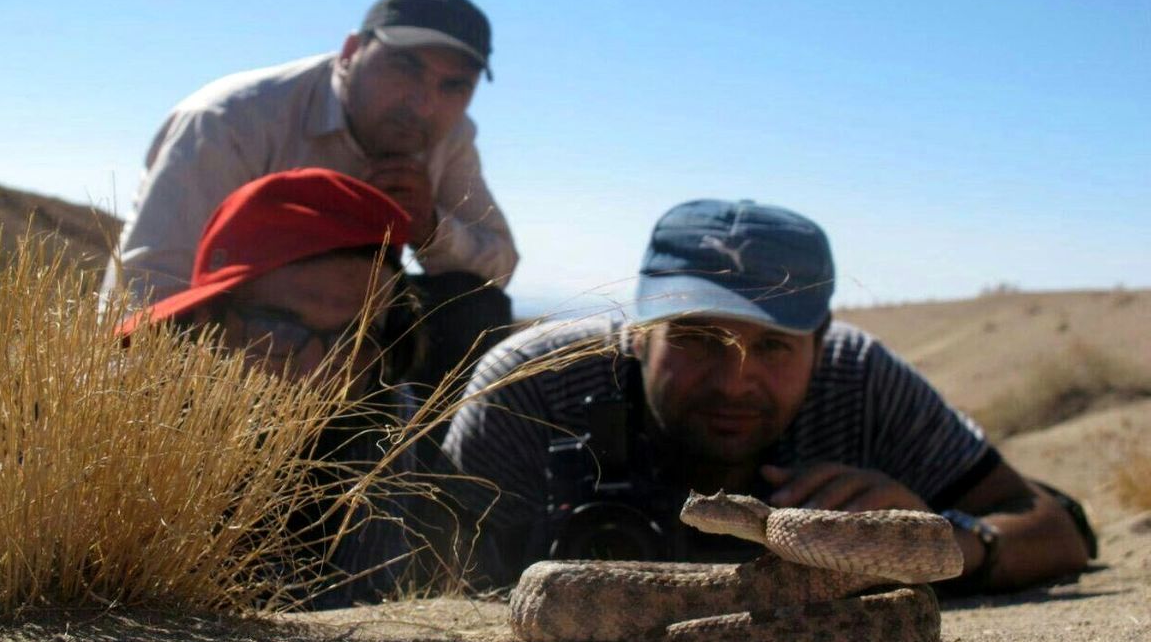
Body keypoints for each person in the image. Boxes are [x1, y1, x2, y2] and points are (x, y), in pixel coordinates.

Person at [441, 200, 1095, 593]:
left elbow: (1053, 529)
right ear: (640, 335)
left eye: (776, 345)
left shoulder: (860, 380)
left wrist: (931, 543)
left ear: (821, 339)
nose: (733, 381)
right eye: (698, 339)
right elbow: (426, 573)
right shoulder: (530, 386)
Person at [105, 0, 516, 390]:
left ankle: (412, 450)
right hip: (241, 345)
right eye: (406, 67)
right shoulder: (230, 120)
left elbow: (497, 265)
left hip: (346, 350)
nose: (424, 103)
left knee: (472, 306)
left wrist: (429, 228)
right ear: (351, 53)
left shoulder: (448, 137)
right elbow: (149, 284)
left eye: (454, 86)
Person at [120, 167, 432, 608]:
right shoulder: (121, 412)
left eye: (353, 340)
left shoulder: (381, 402)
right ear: (208, 323)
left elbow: (357, 602)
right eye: (279, 332)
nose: (316, 372)